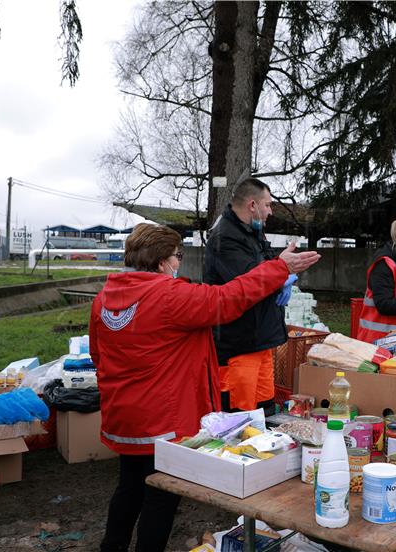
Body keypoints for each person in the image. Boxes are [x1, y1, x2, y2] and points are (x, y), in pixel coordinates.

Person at [90, 223, 319, 552]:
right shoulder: (168, 296)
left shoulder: (104, 299)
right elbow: (228, 298)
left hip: (125, 421)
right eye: (177, 256)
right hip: (163, 424)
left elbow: (99, 356)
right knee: (161, 496)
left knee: (128, 488)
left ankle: (112, 547)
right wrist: (279, 267)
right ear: (160, 262)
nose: (179, 263)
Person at [204, 177, 297, 415]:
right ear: (252, 205)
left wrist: (284, 273)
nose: (270, 211)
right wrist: (281, 273)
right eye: (267, 205)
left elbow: (266, 265)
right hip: (238, 344)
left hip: (260, 340)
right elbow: (248, 284)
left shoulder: (254, 232)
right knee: (239, 416)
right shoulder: (225, 238)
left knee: (263, 410)